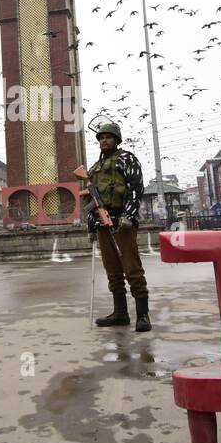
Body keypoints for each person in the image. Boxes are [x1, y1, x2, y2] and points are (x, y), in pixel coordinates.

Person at [82, 120, 151, 332]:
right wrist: (92, 227)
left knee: (132, 269)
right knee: (112, 270)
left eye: (108, 137)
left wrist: (128, 215)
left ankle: (143, 315)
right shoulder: (95, 168)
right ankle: (120, 313)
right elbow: (90, 200)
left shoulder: (126, 159)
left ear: (116, 139)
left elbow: (135, 189)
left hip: (122, 222)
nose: (104, 140)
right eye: (101, 137)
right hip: (102, 223)